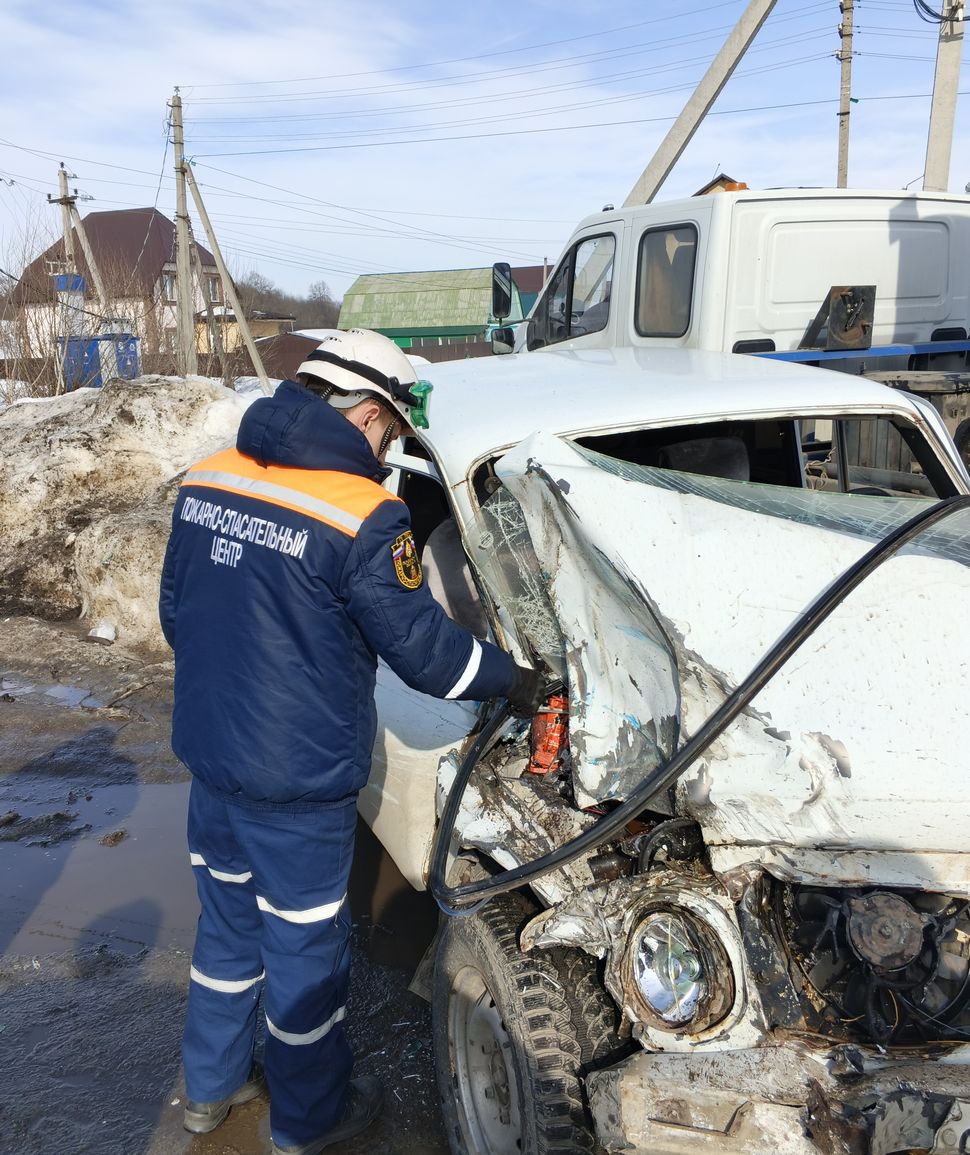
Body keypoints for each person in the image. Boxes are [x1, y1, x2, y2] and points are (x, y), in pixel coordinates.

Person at [158, 328, 542, 1155]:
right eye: (395, 434)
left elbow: (175, 614)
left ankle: (207, 1091)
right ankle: (307, 1122)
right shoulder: (366, 515)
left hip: (214, 768)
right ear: (368, 414)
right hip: (297, 787)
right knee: (304, 964)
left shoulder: (207, 477)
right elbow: (428, 655)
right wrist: (512, 678)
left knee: (226, 935)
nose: (391, 449)